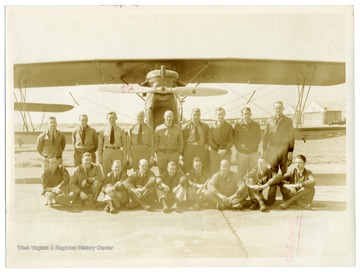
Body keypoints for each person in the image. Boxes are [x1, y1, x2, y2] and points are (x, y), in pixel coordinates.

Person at [263, 101, 294, 174]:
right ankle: (274, 184)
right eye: (276, 108)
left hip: (284, 149)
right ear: (274, 109)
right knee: (272, 170)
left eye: (280, 108)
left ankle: (284, 184)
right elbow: (265, 136)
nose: (278, 110)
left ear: (283, 109)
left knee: (284, 170)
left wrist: (290, 151)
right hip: (272, 148)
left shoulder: (288, 121)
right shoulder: (269, 121)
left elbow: (291, 137)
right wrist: (264, 150)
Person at [234, 107, 261, 179]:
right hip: (242, 154)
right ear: (241, 115)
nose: (247, 116)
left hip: (254, 153)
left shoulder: (256, 125)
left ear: (251, 114)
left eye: (248, 114)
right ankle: (243, 189)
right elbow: (235, 139)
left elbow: (259, 138)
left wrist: (254, 147)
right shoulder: (237, 126)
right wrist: (240, 149)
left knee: (253, 174)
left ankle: (252, 189)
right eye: (245, 114)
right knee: (241, 174)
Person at [98, 112, 128, 176]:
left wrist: (125, 157)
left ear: (116, 118)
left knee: (118, 170)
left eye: (113, 118)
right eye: (110, 118)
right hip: (106, 152)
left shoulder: (121, 130)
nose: (112, 120)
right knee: (106, 171)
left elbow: (124, 145)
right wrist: (100, 156)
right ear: (107, 119)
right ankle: (107, 185)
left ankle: (118, 185)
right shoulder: (102, 130)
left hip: (117, 151)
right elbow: (100, 145)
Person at [182, 108, 209, 173]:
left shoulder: (205, 126)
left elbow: (207, 138)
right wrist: (182, 153)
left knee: (201, 165)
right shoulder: (185, 127)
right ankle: (188, 181)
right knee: (188, 166)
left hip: (200, 147)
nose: (196, 117)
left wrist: (206, 146)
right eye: (194, 115)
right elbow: (183, 141)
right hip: (189, 147)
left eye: (198, 115)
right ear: (191, 115)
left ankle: (201, 180)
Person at [208, 107, 234, 174]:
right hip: (215, 151)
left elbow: (232, 140)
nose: (220, 116)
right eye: (218, 114)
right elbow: (209, 140)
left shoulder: (229, 126)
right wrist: (217, 150)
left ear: (225, 114)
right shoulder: (211, 127)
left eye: (222, 114)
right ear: (215, 115)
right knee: (214, 171)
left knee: (226, 171)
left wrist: (225, 149)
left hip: (226, 151)